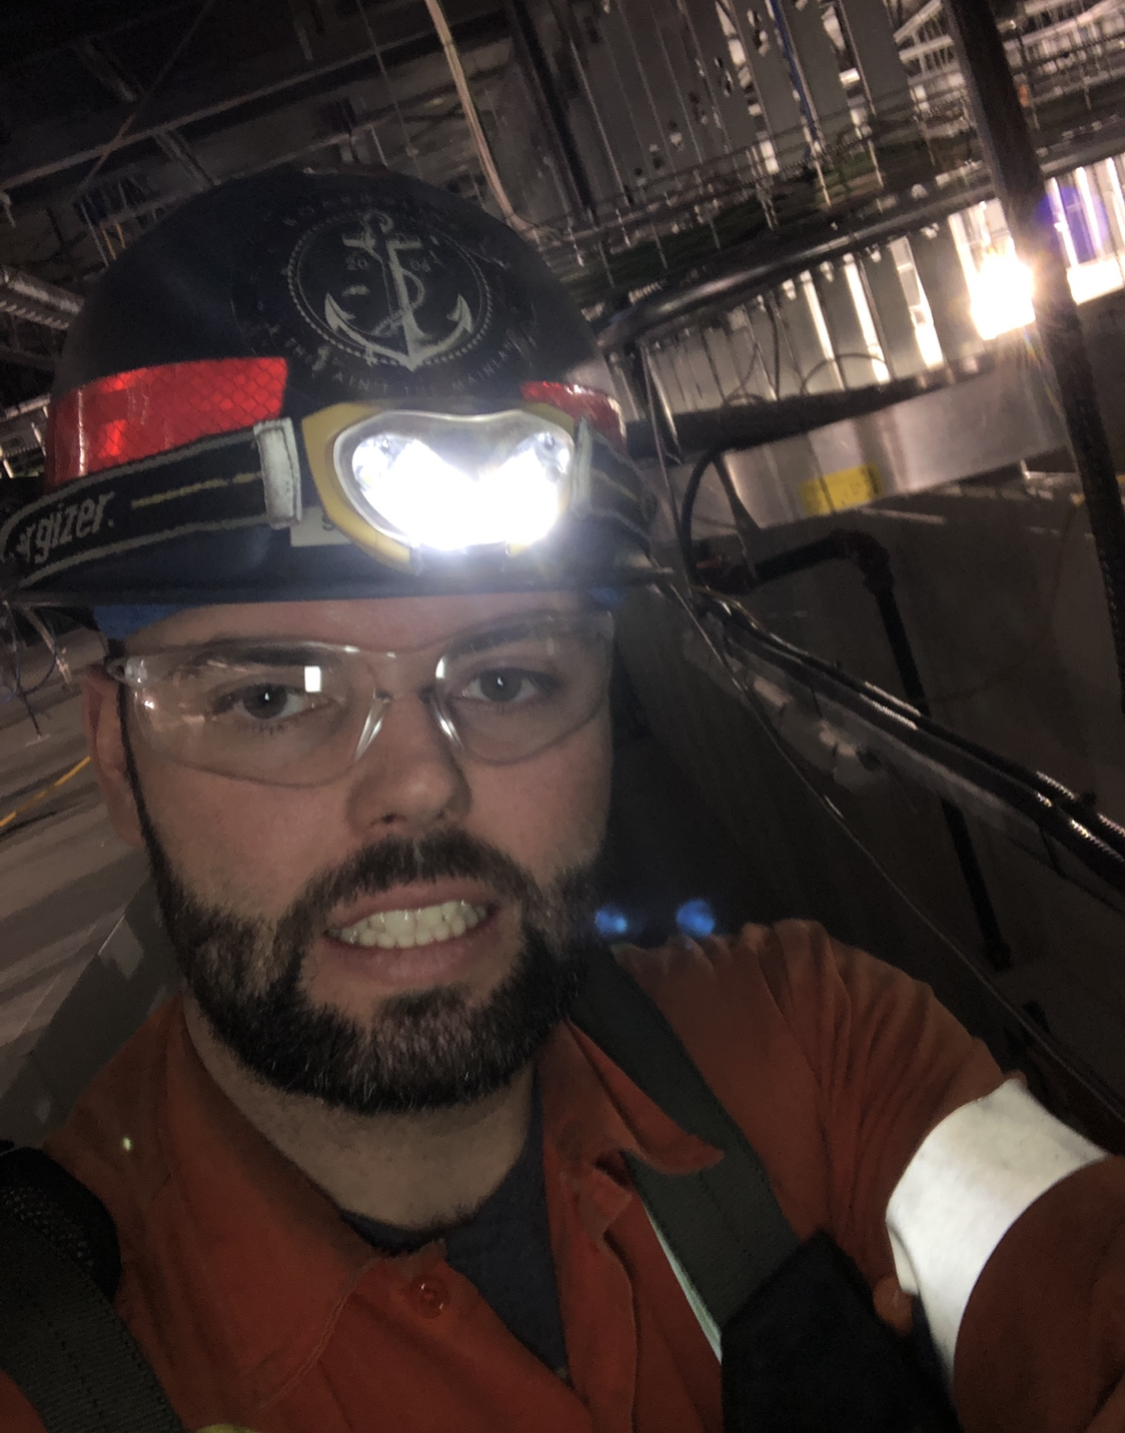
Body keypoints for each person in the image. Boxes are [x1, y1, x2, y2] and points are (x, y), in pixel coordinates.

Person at [1, 166, 1123, 1433]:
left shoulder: (811, 1049)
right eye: (271, 696)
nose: (422, 780)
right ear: (115, 751)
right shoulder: (50, 1364)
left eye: (505, 676)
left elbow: (1073, 1272)